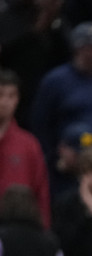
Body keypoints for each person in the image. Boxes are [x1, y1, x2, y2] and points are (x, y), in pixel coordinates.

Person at [30, 22, 92, 158]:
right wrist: (53, 156)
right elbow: (40, 124)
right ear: (80, 48)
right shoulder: (56, 80)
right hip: (69, 164)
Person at [0, 69, 51, 228]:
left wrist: (43, 230)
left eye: (11, 95)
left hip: (19, 230)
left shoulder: (29, 144)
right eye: (0, 94)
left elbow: (41, 192)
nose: (5, 102)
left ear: (18, 99)